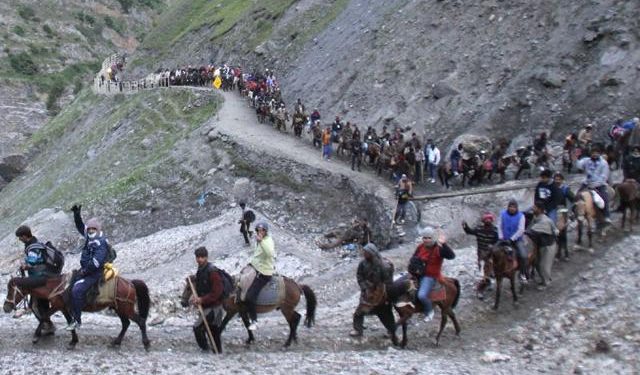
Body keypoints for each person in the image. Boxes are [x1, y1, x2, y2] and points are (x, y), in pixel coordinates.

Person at [67, 205, 108, 331]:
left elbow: (96, 262)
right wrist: (76, 215)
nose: (90, 230)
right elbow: (80, 227)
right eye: (89, 228)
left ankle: (77, 321)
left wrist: (85, 271)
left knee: (77, 290)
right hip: (85, 270)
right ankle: (73, 311)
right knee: (68, 286)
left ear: (97, 229)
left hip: (94, 273)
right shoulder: (90, 237)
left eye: (93, 228)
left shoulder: (101, 242)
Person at [14, 225, 55, 334]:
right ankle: (47, 325)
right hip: (43, 275)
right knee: (41, 304)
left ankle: (47, 325)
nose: (19, 239)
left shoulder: (32, 246)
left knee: (34, 305)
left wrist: (24, 266)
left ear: (24, 236)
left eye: (20, 237)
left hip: (39, 277)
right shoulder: (35, 242)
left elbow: (32, 261)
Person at [349, 243, 393, 337]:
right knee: (359, 311)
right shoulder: (363, 264)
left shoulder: (384, 265)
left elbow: (388, 281)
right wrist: (364, 287)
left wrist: (384, 292)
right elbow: (359, 276)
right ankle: (358, 330)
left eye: (366, 252)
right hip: (367, 292)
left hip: (380, 293)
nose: (364, 253)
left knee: (385, 313)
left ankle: (391, 330)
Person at [412, 227, 455, 322]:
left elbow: (451, 256)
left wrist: (444, 244)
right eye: (424, 238)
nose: (426, 240)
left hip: (430, 276)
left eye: (429, 238)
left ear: (433, 238)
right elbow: (414, 257)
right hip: (418, 274)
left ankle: (429, 311)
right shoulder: (420, 247)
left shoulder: (438, 249)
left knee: (422, 295)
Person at [190, 247, 224, 353]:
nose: (199, 259)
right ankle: (212, 351)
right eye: (198, 257)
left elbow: (217, 292)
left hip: (215, 308)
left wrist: (202, 300)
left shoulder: (212, 272)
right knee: (211, 331)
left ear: (206, 257)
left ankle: (208, 350)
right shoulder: (200, 270)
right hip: (206, 307)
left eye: (202, 257)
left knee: (200, 328)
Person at [245, 221, 276, 330]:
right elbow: (257, 255)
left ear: (266, 231)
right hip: (255, 269)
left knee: (250, 296)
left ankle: (254, 320)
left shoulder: (268, 241)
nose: (260, 232)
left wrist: (261, 241)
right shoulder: (259, 241)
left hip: (264, 273)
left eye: (262, 230)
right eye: (258, 230)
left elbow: (270, 254)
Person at [462, 213, 499, 299]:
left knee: (488, 271)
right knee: (483, 272)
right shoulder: (479, 229)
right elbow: (470, 231)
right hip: (481, 254)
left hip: (490, 254)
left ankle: (484, 286)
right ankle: (482, 287)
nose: (488, 221)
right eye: (486, 219)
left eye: (489, 219)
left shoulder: (495, 231)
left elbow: (498, 242)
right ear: (483, 221)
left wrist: (493, 246)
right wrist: (465, 226)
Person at [575, 144, 612, 223]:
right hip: (587, 183)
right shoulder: (586, 160)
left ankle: (606, 215)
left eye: (596, 153)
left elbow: (604, 175)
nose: (594, 154)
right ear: (590, 153)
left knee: (604, 198)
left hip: (599, 184)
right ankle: (575, 213)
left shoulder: (603, 163)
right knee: (577, 195)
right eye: (593, 153)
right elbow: (579, 165)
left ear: (599, 153)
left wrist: (596, 183)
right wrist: (576, 158)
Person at [526, 201, 558, 290]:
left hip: (548, 245)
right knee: (536, 263)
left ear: (540, 209)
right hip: (540, 245)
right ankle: (544, 279)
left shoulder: (545, 221)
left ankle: (546, 283)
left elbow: (531, 230)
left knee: (544, 265)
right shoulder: (536, 218)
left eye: (535, 207)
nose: (533, 208)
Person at [497, 199, 528, 283]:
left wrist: (512, 239)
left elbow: (521, 229)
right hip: (504, 238)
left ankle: (522, 273)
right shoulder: (502, 214)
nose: (512, 208)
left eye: (513, 207)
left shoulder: (521, 216)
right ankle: (492, 272)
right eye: (510, 207)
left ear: (516, 208)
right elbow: (499, 226)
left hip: (516, 240)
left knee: (523, 255)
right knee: (494, 251)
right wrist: (501, 237)